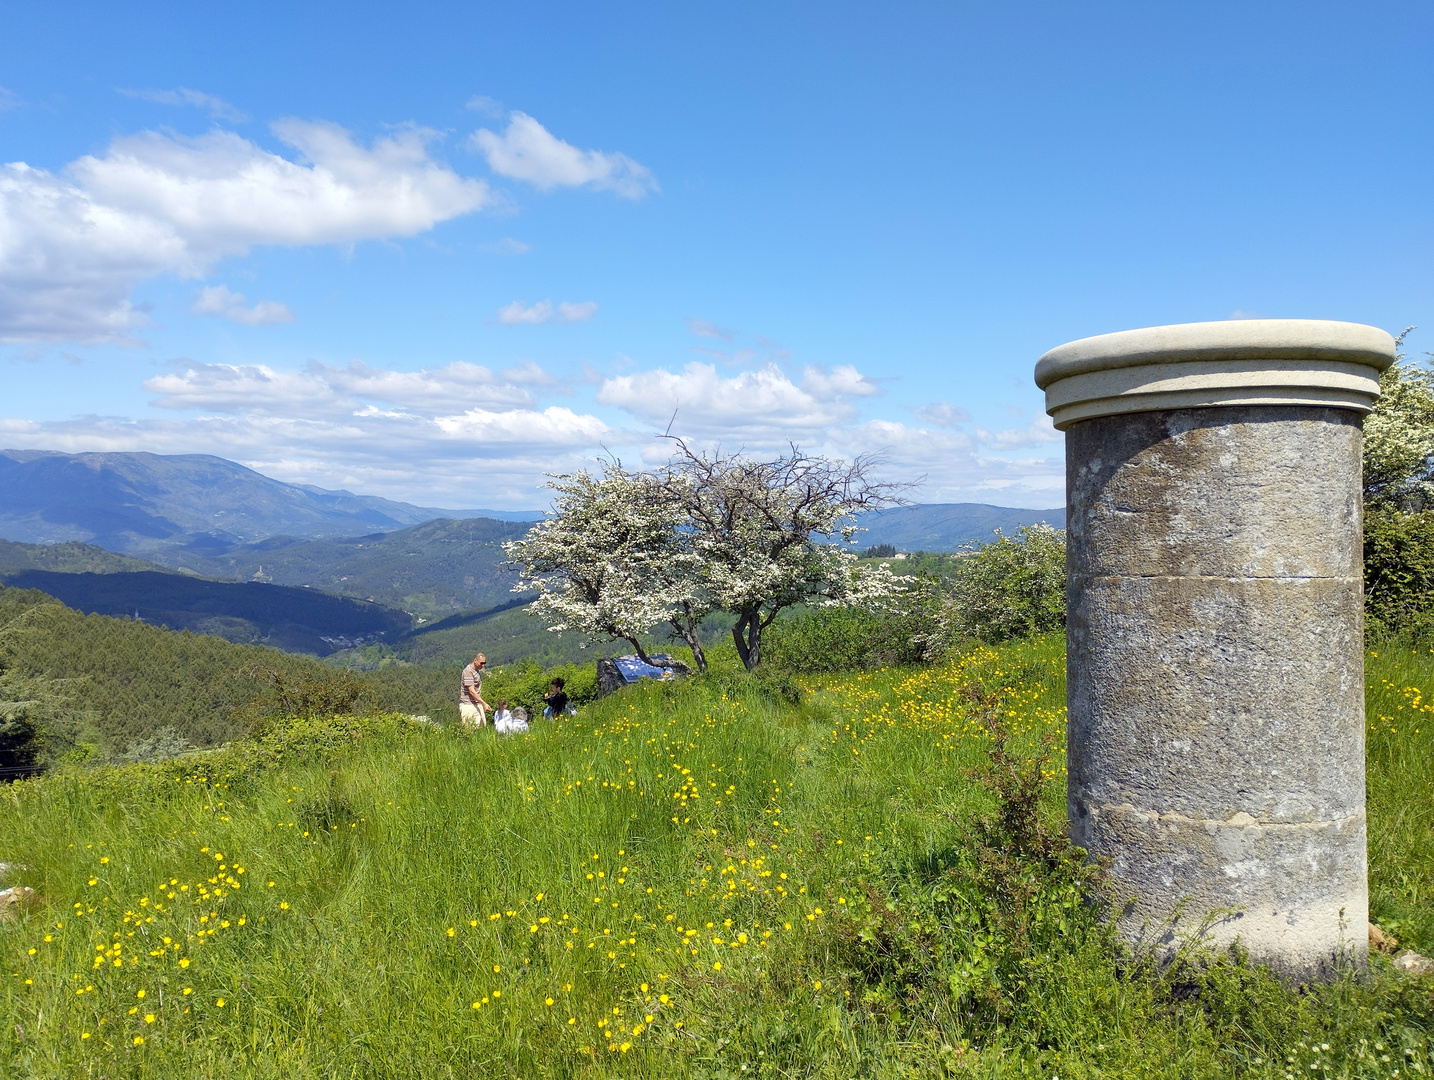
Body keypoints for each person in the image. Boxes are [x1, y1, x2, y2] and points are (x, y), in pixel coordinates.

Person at [459, 653, 489, 729]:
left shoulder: (476, 671)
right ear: (475, 660)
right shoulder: (468, 671)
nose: (483, 665)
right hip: (468, 705)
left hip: (476, 703)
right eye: (481, 663)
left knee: (482, 728)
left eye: (484, 663)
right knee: (470, 730)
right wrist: (484, 703)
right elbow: (472, 691)